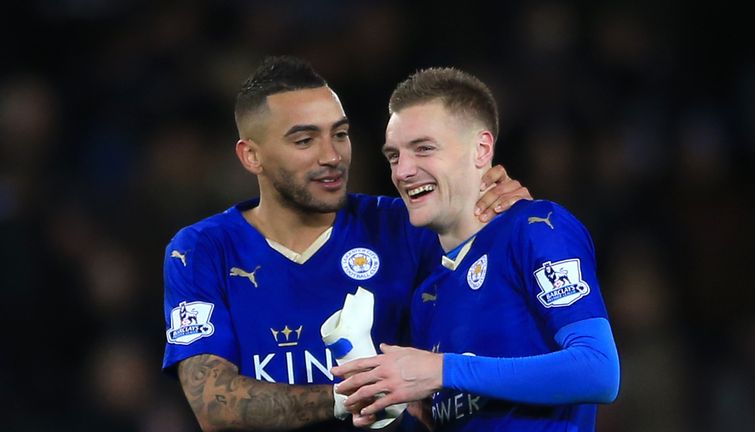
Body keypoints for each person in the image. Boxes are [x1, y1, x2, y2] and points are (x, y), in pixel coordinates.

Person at [161, 56, 532, 431]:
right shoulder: (203, 250)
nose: (332, 156)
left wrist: (491, 202)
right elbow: (213, 403)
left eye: (339, 134)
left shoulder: (404, 226)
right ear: (251, 156)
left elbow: (508, 282)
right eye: (305, 140)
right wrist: (351, 397)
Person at [332, 68, 620, 431]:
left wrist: (442, 370)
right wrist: (397, 408)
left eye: (424, 149)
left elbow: (599, 370)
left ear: (481, 149)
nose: (403, 171)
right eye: (393, 156)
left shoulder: (536, 229)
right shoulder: (429, 294)